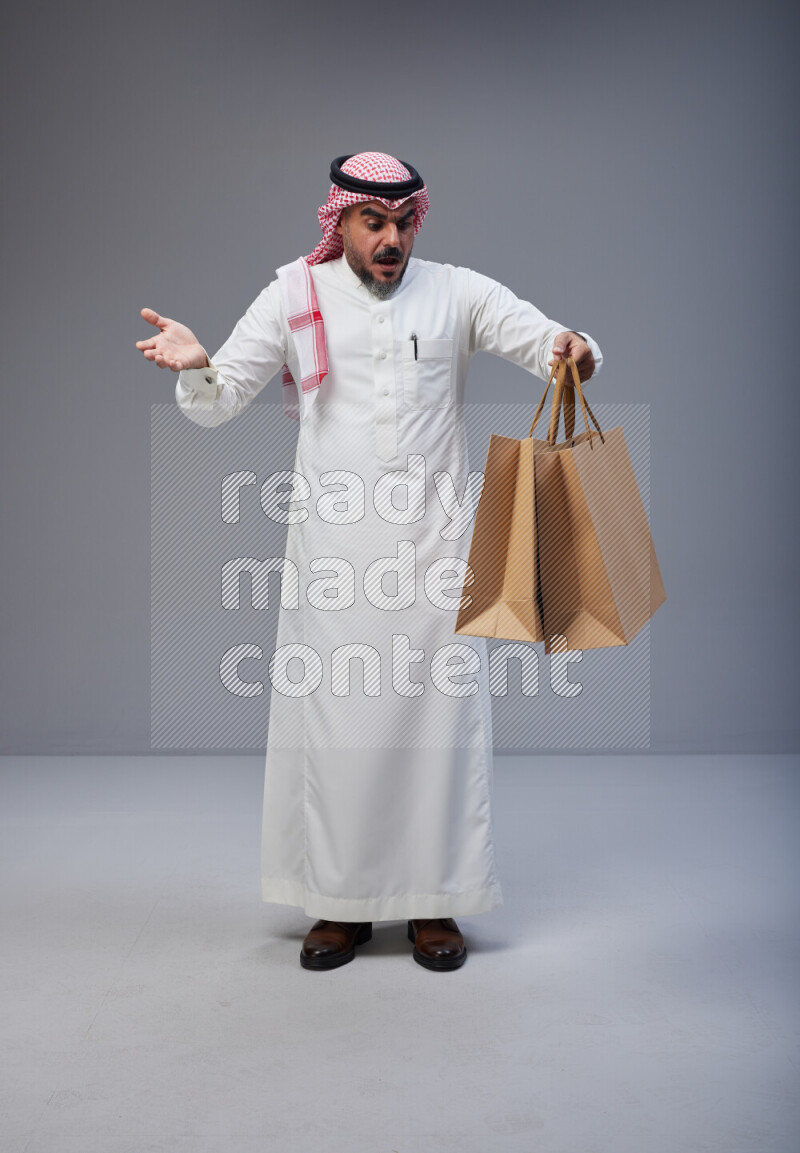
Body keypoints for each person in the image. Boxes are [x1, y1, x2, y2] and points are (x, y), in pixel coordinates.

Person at [136, 151, 603, 973]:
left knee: (437, 729)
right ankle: (341, 906)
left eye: (402, 222)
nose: (391, 239)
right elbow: (225, 393)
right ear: (340, 221)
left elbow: (544, 339)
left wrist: (575, 347)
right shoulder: (294, 292)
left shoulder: (457, 290)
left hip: (434, 552)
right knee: (339, 728)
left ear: (416, 220)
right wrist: (196, 364)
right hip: (334, 556)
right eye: (372, 222)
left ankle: (432, 903)